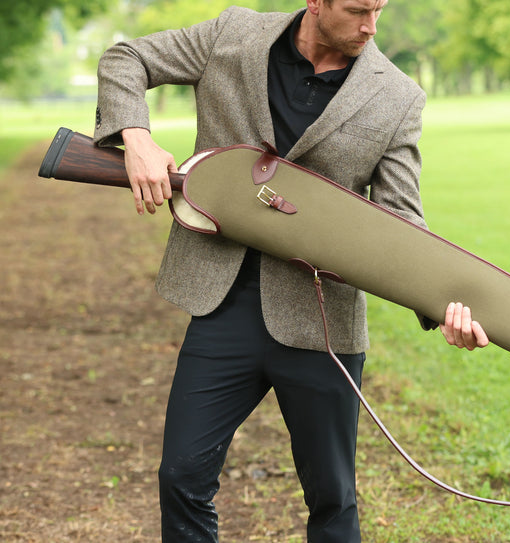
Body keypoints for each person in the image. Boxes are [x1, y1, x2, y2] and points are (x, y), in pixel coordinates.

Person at [94, 0, 488, 541]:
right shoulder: (233, 33)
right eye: (356, 11)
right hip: (222, 305)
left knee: (332, 498)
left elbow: (401, 225)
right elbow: (125, 58)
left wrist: (441, 304)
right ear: (315, 2)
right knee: (181, 476)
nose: (370, 27)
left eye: (379, 10)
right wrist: (136, 138)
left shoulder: (398, 97)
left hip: (322, 325)